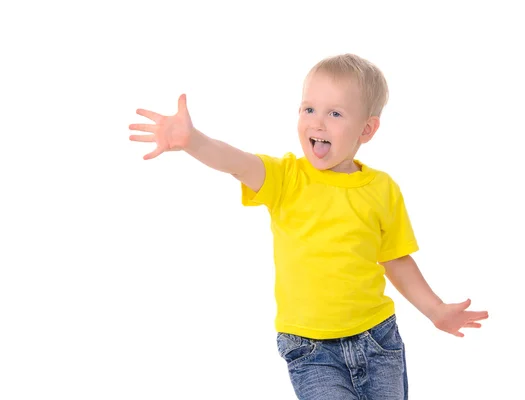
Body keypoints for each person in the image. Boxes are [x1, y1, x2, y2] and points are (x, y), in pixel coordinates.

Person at [129, 53, 489, 400]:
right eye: (309, 109)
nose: (317, 123)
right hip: (310, 349)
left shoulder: (382, 189)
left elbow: (396, 260)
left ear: (367, 128)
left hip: (378, 340)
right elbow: (235, 162)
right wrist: (194, 141)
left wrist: (436, 310)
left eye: (334, 113)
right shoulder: (286, 178)